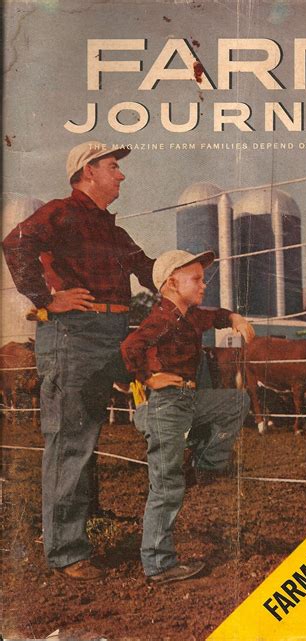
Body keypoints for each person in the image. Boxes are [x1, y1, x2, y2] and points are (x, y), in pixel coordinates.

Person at [2, 141, 156, 581]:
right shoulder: (60, 212)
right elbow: (16, 244)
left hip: (113, 334)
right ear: (88, 172)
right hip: (73, 334)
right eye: (113, 167)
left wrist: (186, 272)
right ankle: (67, 552)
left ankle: (86, 524)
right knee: (70, 439)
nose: (121, 175)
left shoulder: (112, 230)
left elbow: (148, 269)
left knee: (92, 432)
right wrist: (48, 298)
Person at [120, 249, 254, 584]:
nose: (203, 284)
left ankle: (206, 465)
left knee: (237, 403)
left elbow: (214, 316)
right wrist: (148, 378)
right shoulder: (160, 319)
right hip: (167, 405)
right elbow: (129, 348)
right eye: (195, 278)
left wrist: (234, 318)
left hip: (190, 399)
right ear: (170, 284)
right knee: (166, 487)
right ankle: (159, 565)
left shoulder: (189, 316)